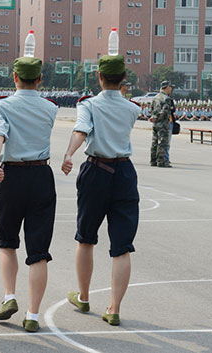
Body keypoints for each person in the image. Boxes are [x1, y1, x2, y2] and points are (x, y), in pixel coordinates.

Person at [60, 54, 141, 327]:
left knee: (86, 237)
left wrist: (69, 153)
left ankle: (83, 297)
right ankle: (114, 308)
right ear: (124, 80)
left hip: (97, 170)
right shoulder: (132, 108)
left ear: (99, 77)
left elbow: (81, 130)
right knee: (122, 246)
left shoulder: (89, 105)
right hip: (125, 172)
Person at [0, 57, 59, 333]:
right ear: (40, 79)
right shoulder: (51, 108)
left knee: (7, 241)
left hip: (11, 174)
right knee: (39, 251)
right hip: (41, 175)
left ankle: (9, 295)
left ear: (14, 77)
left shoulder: (1, 106)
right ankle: (33, 314)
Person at [150, 81, 174, 168]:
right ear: (167, 87)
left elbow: (151, 109)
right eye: (170, 87)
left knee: (154, 142)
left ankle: (153, 160)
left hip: (155, 123)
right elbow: (165, 111)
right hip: (163, 124)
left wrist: (154, 117)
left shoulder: (155, 97)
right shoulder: (166, 98)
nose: (171, 89)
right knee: (163, 143)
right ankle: (162, 161)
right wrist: (158, 117)